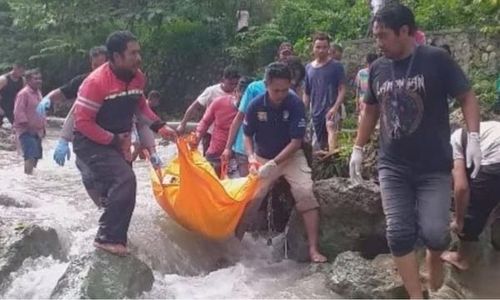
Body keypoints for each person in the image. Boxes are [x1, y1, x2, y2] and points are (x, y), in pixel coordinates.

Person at [348, 4, 481, 298]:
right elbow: (370, 110)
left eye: (383, 36)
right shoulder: (378, 69)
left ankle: (434, 256)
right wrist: (357, 147)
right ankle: (416, 295)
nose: (378, 43)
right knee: (398, 233)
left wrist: (473, 137)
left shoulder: (436, 60)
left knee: (435, 233)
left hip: (433, 166)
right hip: (393, 165)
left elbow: (466, 95)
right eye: (375, 36)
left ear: (405, 31)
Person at [72, 31, 176, 256]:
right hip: (90, 141)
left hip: (118, 140)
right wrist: (113, 140)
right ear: (116, 57)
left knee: (127, 189)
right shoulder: (95, 82)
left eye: (139, 52)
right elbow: (82, 123)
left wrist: (159, 126)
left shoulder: (138, 77)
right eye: (133, 53)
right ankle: (105, 238)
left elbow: (140, 105)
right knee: (124, 179)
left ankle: (118, 238)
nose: (138, 58)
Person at [240, 62, 326, 263]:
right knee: (249, 200)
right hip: (262, 157)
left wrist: (275, 163)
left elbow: (296, 142)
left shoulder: (295, 104)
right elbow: (246, 135)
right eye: (276, 90)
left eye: (285, 89)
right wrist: (251, 157)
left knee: (305, 193)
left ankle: (313, 248)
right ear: (266, 84)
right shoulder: (255, 105)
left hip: (290, 157)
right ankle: (235, 245)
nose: (280, 94)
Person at [441, 121, 500, 270]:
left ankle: (461, 258)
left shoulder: (453, 141)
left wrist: (459, 220)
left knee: (471, 211)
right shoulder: (481, 129)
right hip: (495, 156)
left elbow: (461, 188)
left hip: (496, 161)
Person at [194, 77, 252, 177]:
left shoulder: (255, 108)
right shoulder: (219, 103)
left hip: (241, 156)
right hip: (216, 154)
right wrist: (195, 140)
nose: (244, 103)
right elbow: (204, 123)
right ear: (236, 92)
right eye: (242, 98)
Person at [177, 66, 240, 153]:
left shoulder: (239, 94)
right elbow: (194, 106)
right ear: (223, 80)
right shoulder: (211, 91)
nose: (233, 87)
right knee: (208, 158)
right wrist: (183, 123)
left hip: (230, 133)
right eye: (230, 84)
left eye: (235, 84)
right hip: (210, 132)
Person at [304, 32, 346, 155]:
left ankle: (332, 161)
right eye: (318, 47)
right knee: (318, 146)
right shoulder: (308, 68)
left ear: (328, 48)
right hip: (315, 112)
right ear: (313, 48)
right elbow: (307, 93)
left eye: (324, 47)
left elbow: (342, 89)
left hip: (331, 109)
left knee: (331, 130)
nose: (321, 50)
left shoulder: (336, 66)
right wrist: (303, 110)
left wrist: (335, 107)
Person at [13, 69, 44, 175]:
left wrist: (43, 128)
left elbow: (41, 111)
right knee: (30, 156)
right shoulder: (23, 94)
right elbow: (18, 112)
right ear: (28, 80)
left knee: (36, 157)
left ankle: (31, 181)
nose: (39, 81)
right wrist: (27, 127)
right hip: (26, 131)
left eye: (40, 78)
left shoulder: (38, 93)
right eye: (35, 79)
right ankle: (28, 177)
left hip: (37, 131)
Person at [355, 53, 378, 123]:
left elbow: (357, 90)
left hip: (370, 102)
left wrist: (356, 104)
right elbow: (358, 89)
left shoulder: (361, 73)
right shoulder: (361, 73)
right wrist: (356, 104)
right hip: (367, 102)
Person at [0, 63, 25, 127]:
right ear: (14, 68)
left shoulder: (22, 80)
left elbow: (23, 95)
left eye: (22, 71)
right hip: (2, 106)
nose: (21, 73)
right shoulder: (3, 79)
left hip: (14, 108)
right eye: (19, 71)